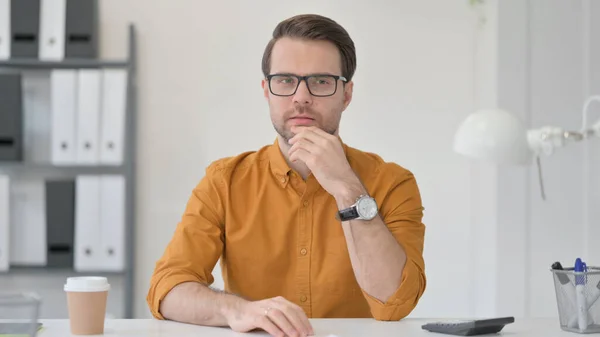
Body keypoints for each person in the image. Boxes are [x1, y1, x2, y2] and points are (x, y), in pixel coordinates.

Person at [147, 13, 426, 337]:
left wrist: (347, 188)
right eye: (285, 81)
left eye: (321, 81)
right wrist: (238, 310)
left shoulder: (394, 184)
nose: (301, 97)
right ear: (267, 90)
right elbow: (166, 290)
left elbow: (394, 303)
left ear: (346, 95)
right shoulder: (223, 182)